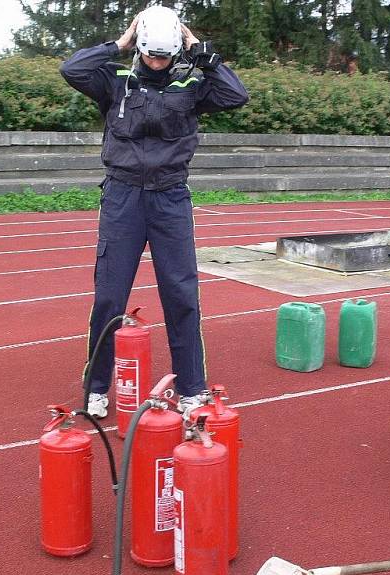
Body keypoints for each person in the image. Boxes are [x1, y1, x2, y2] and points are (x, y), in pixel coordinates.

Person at [60, 6, 249, 417]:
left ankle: (191, 388)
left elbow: (236, 95)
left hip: (170, 199)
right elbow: (71, 69)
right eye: (150, 54)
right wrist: (120, 41)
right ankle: (96, 387)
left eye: (164, 56)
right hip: (122, 198)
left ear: (176, 49)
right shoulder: (115, 81)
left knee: (181, 295)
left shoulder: (192, 83)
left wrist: (201, 49)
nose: (157, 63)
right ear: (140, 47)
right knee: (109, 297)